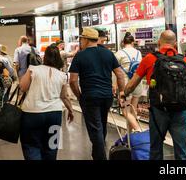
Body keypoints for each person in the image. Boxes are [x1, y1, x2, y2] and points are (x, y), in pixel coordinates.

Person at [125, 30, 186, 160]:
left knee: (156, 148)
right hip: (180, 111)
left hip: (158, 110)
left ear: (159, 42)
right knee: (181, 150)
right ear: (175, 44)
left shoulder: (149, 59)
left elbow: (132, 84)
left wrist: (124, 93)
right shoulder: (185, 61)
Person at [69, 27, 126, 160]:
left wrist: (78, 96)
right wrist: (121, 92)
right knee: (101, 124)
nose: (81, 42)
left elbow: (72, 80)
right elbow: (120, 74)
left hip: (90, 96)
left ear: (86, 40)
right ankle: (96, 154)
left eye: (81, 39)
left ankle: (100, 157)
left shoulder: (80, 55)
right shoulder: (108, 53)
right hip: (107, 96)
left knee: (95, 128)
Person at [19, 44, 74, 160]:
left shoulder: (33, 69)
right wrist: (71, 110)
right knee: (52, 146)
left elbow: (22, 87)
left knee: (31, 145)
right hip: (54, 114)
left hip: (32, 113)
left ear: (44, 57)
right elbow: (65, 96)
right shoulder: (62, 75)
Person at [114, 32, 142, 131]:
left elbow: (115, 72)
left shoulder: (119, 53)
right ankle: (130, 137)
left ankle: (138, 130)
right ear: (133, 42)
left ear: (123, 42)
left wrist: (114, 85)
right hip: (137, 84)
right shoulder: (138, 53)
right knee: (133, 111)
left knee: (125, 111)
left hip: (125, 85)